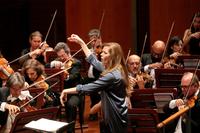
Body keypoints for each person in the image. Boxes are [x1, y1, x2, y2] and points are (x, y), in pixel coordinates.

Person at [60, 34, 130, 133]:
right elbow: (93, 61)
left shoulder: (112, 75)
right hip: (111, 115)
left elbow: (89, 87)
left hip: (115, 117)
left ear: (112, 57)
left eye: (105, 53)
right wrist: (81, 42)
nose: (101, 54)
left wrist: (66, 90)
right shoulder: (113, 68)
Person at [50, 42, 83, 133]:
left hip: (74, 92)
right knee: (50, 102)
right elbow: (45, 68)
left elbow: (74, 76)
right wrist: (52, 64)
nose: (61, 58)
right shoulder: (58, 61)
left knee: (71, 105)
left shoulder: (76, 63)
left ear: (68, 52)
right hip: (60, 92)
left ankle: (70, 131)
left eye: (63, 55)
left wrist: (65, 74)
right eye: (59, 56)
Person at [84, 29, 102, 121]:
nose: (92, 42)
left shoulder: (103, 50)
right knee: (92, 95)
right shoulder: (88, 50)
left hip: (99, 77)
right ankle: (93, 110)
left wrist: (97, 53)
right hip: (89, 77)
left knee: (96, 95)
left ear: (99, 39)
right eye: (91, 40)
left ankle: (94, 111)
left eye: (94, 40)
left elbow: (100, 66)